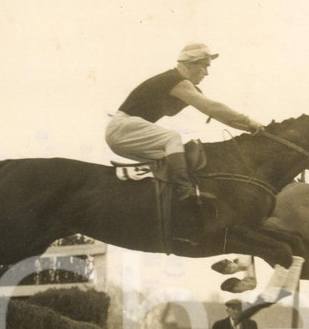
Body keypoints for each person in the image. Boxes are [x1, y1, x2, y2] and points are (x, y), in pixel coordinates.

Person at [105, 43, 264, 230]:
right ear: (190, 64)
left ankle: (168, 202)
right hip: (123, 128)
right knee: (173, 139)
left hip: (123, 132)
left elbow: (215, 111)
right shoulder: (174, 80)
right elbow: (213, 108)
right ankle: (185, 190)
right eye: (204, 66)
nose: (206, 73)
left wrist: (248, 129)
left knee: (172, 161)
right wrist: (250, 123)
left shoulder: (180, 83)